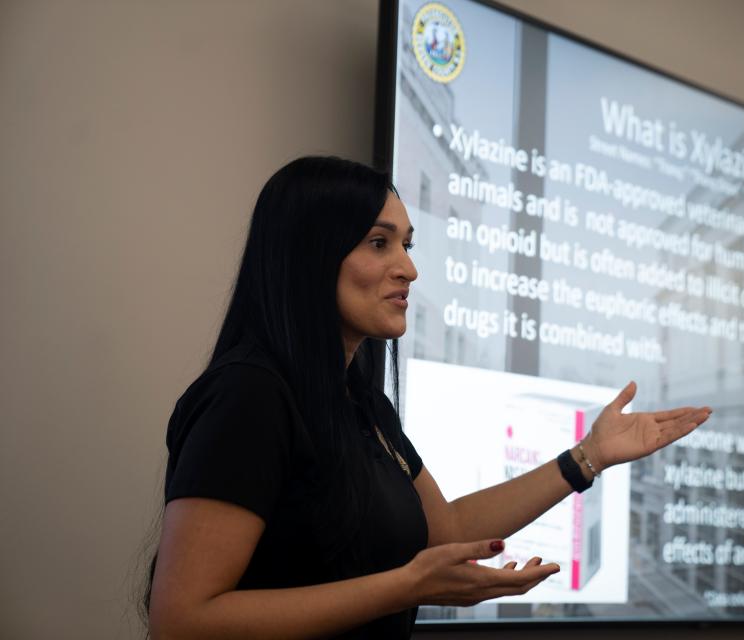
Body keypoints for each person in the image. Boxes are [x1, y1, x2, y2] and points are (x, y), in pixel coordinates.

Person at [145, 156, 711, 639]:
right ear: (309, 255)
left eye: (407, 244)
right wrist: (407, 586)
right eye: (379, 243)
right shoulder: (249, 396)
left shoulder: (361, 404)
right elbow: (183, 620)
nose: (409, 268)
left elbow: (446, 531)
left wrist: (588, 458)